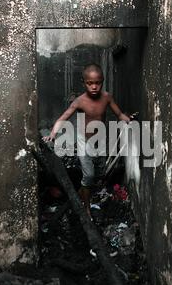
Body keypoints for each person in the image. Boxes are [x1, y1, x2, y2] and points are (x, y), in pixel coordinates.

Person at [43, 63, 131, 219]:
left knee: (98, 175)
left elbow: (119, 114)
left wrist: (128, 119)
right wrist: (52, 133)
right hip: (84, 140)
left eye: (97, 83)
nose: (94, 87)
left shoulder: (107, 97)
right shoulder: (80, 101)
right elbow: (63, 117)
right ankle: (86, 207)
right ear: (84, 83)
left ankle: (82, 192)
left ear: (102, 81)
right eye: (90, 83)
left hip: (101, 140)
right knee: (89, 175)